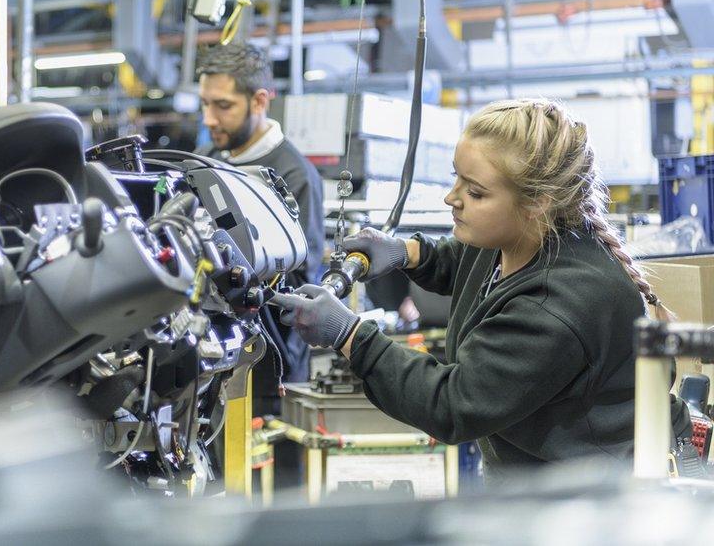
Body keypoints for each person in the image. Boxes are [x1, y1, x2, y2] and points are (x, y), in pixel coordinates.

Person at [271, 98, 691, 482]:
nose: (452, 198)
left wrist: (350, 336)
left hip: (605, 494)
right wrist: (407, 253)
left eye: (475, 191)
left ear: (537, 202)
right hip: (544, 480)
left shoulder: (559, 303)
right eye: (457, 179)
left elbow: (453, 404)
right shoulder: (520, 238)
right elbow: (466, 265)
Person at [194, 43, 325, 393]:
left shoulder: (294, 176)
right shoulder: (203, 162)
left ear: (259, 101)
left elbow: (301, 284)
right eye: (205, 104)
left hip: (269, 368)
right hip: (209, 361)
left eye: (223, 106)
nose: (209, 118)